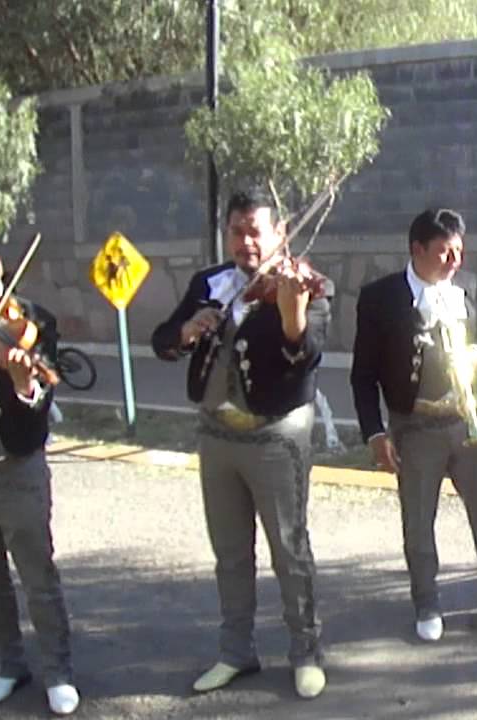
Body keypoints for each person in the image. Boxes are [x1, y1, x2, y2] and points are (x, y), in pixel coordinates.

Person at [151, 186, 332, 698]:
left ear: (279, 234)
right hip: (216, 433)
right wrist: (188, 329)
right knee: (229, 553)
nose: (246, 242)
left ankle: (305, 652)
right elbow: (163, 340)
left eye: (256, 231)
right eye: (237, 230)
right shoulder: (208, 282)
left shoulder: (307, 284)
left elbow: (307, 355)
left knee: (289, 551)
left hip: (277, 435)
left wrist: (292, 313)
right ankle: (236, 652)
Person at [349, 208, 477, 641]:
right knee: (419, 521)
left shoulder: (469, 286)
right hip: (415, 423)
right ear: (416, 249)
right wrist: (375, 432)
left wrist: (476, 355)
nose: (454, 261)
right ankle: (426, 602)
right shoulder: (380, 297)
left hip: (465, 419)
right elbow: (363, 375)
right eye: (444, 252)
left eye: (459, 251)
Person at [0, 253, 79, 715]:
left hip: (17, 464)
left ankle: (58, 672)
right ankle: (8, 664)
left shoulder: (31, 320)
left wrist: (25, 385)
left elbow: (42, 397)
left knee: (37, 576)